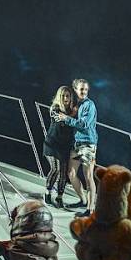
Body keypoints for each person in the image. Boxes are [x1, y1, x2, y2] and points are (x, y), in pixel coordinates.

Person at [54, 78, 97, 211]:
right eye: (81, 89)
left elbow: (84, 124)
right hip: (76, 144)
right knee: (71, 173)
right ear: (76, 90)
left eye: (85, 89)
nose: (83, 91)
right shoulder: (76, 104)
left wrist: (66, 119)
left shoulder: (89, 105)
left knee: (88, 176)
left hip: (88, 144)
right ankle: (83, 200)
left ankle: (90, 209)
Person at [43, 85, 77, 209]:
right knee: (55, 169)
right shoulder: (55, 108)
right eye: (63, 96)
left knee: (63, 173)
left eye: (67, 96)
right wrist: (72, 115)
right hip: (52, 144)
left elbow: (76, 123)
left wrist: (73, 114)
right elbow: (61, 121)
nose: (65, 98)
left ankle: (59, 197)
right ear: (59, 97)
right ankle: (47, 194)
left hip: (64, 146)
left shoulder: (72, 110)